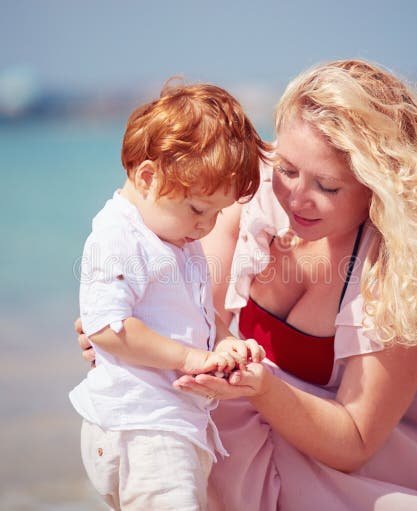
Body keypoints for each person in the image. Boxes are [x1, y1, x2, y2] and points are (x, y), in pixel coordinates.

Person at [76, 60, 417, 510]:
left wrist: (261, 386)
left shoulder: (413, 267)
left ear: (381, 188)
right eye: (288, 168)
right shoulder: (244, 195)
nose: (297, 198)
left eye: (328, 186)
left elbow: (354, 441)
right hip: (278, 435)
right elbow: (197, 320)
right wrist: (130, 328)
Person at [69, 81, 268, 510]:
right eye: (199, 209)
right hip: (142, 427)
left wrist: (224, 341)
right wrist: (190, 359)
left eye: (218, 213)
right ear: (147, 177)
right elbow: (106, 327)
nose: (207, 226)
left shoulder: (177, 238)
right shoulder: (119, 235)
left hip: (169, 425)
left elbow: (198, 316)